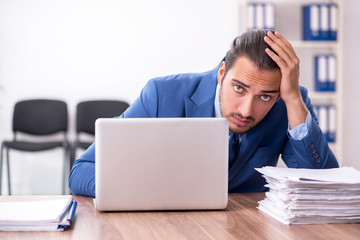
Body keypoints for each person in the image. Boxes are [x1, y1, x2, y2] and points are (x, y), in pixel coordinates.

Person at [69, 30, 339, 197]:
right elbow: (82, 172)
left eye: (265, 96)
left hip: (245, 228)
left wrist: (292, 99)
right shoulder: (161, 95)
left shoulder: (290, 103)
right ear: (222, 73)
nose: (246, 110)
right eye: (239, 89)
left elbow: (324, 186)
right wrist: (144, 191)